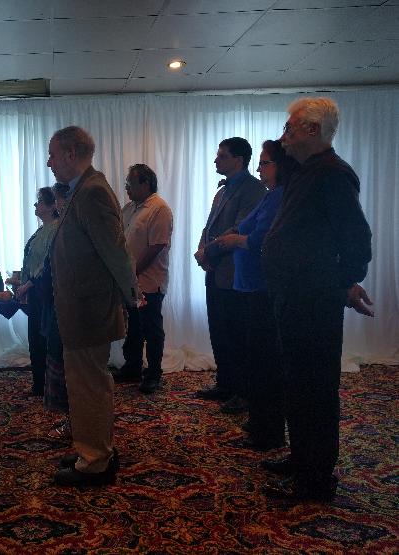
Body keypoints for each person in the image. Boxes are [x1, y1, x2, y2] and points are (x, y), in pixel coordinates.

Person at [260, 97, 373, 502]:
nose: (284, 135)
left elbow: (357, 242)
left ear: (312, 130)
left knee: (315, 391)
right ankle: (301, 459)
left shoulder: (333, 174)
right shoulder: (305, 170)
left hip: (314, 302)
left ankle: (316, 479)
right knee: (297, 386)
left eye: (290, 127)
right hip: (294, 297)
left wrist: (340, 285)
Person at [47, 126, 137, 487]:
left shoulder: (93, 190)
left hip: (89, 308)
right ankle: (92, 447)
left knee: (88, 385)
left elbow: (114, 250)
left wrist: (132, 295)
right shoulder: (84, 188)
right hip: (81, 306)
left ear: (71, 154)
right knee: (83, 383)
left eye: (53, 154)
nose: (49, 162)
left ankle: (96, 460)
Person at [206, 140, 298, 450]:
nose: (260, 169)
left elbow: (254, 236)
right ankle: (251, 410)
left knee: (260, 358)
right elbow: (229, 228)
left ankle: (264, 425)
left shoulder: (269, 193)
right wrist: (211, 246)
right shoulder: (265, 193)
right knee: (236, 341)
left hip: (258, 284)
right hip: (241, 280)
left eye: (265, 163)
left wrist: (221, 245)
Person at [194, 137, 266, 413]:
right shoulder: (222, 190)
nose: (216, 160)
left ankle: (243, 392)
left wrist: (207, 252)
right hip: (216, 270)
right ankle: (225, 383)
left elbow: (239, 229)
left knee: (237, 335)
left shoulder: (254, 189)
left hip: (235, 273)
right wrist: (202, 249)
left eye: (222, 156)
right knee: (219, 331)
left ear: (239, 160)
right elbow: (209, 226)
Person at [112, 164, 173, 394]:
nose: (126, 188)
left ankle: (153, 374)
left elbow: (157, 246)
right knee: (134, 327)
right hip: (131, 282)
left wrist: (133, 272)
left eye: (130, 184)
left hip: (149, 282)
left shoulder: (159, 208)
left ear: (145, 184)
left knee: (151, 328)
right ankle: (132, 367)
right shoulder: (129, 208)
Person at [12, 187, 59, 397]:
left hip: (45, 293)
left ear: (51, 206)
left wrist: (27, 285)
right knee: (35, 339)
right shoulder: (41, 230)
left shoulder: (55, 229)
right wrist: (20, 281)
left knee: (45, 339)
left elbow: (47, 266)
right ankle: (39, 384)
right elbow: (32, 262)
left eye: (39, 202)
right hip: (35, 292)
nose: (35, 205)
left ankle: (49, 385)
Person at [38, 183, 70, 439]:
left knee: (65, 362)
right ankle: (71, 419)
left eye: (59, 200)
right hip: (55, 299)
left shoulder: (62, 228)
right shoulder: (57, 228)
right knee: (56, 355)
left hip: (66, 301)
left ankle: (75, 421)